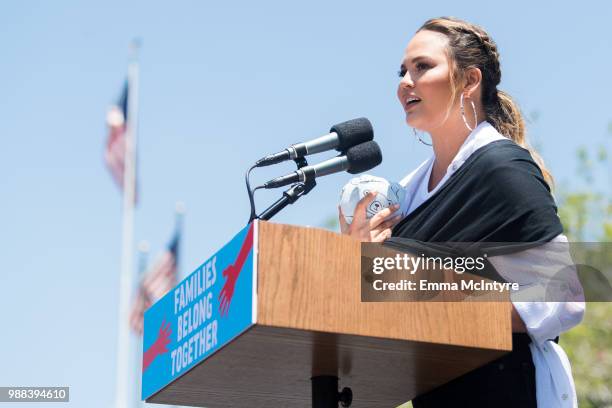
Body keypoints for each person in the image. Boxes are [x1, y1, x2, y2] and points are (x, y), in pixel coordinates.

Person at [339, 17, 584, 407]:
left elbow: (564, 297)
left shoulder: (502, 168)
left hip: (506, 389)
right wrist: (357, 259)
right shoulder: (407, 194)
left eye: (422, 67)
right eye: (402, 71)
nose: (406, 81)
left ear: (470, 81)